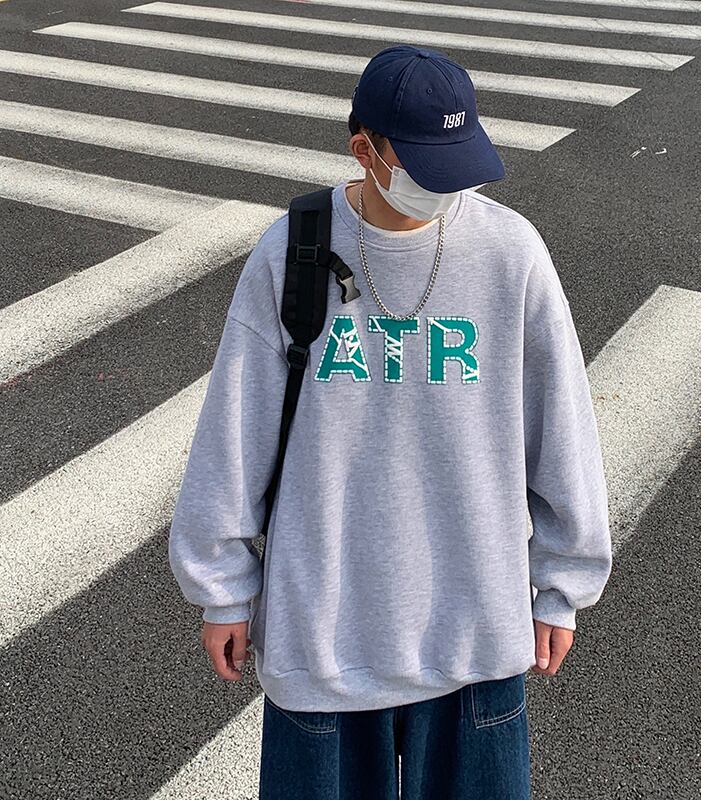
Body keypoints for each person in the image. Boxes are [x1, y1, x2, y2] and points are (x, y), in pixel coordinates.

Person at [168, 44, 613, 800]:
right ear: (364, 151)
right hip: (323, 635)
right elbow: (235, 432)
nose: (447, 189)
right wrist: (223, 590)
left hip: (475, 631)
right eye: (426, 167)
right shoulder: (295, 251)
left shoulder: (510, 254)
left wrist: (561, 585)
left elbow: (561, 430)